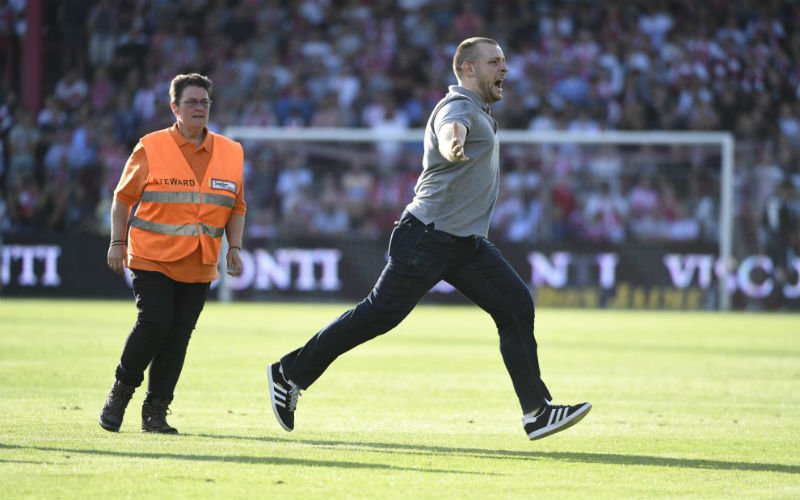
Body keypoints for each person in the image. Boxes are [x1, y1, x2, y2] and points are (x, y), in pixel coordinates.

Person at [267, 37, 591, 441]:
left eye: (504, 61)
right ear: (468, 69)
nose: (504, 68)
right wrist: (452, 143)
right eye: (495, 62)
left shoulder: (481, 110)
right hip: (428, 236)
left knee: (516, 306)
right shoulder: (459, 106)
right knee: (377, 315)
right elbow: (449, 128)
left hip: (463, 242)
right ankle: (289, 372)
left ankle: (537, 412)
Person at [100, 73, 246, 434]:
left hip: (200, 262)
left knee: (178, 337)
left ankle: (156, 411)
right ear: (174, 108)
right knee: (154, 323)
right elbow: (122, 199)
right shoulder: (150, 147)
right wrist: (117, 242)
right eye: (192, 102)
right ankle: (120, 392)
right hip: (152, 256)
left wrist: (235, 248)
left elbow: (237, 206)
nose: (200, 108)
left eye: (205, 102)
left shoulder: (232, 151)